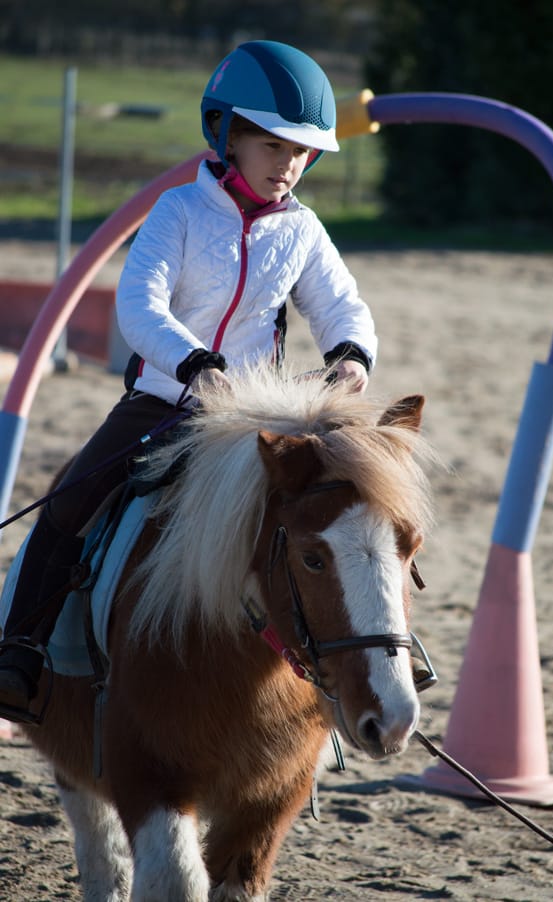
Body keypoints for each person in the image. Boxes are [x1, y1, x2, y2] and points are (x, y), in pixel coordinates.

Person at [0, 40, 378, 724]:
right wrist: (195, 363)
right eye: (272, 146)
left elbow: (340, 304)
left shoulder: (305, 230)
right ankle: (17, 650)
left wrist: (351, 354)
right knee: (67, 506)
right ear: (227, 134)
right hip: (164, 400)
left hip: (258, 415)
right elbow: (139, 305)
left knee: (340, 517)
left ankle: (346, 669)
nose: (289, 165)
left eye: (301, 152)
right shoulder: (176, 211)